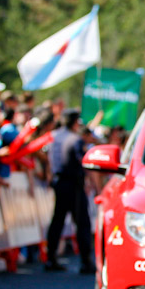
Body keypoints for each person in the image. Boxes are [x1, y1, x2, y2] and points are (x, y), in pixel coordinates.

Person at [45, 108, 94, 273]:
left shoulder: (54, 137)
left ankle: (51, 258)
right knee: (82, 223)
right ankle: (86, 261)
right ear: (74, 122)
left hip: (59, 183)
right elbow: (82, 163)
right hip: (74, 185)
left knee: (57, 221)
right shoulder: (76, 140)